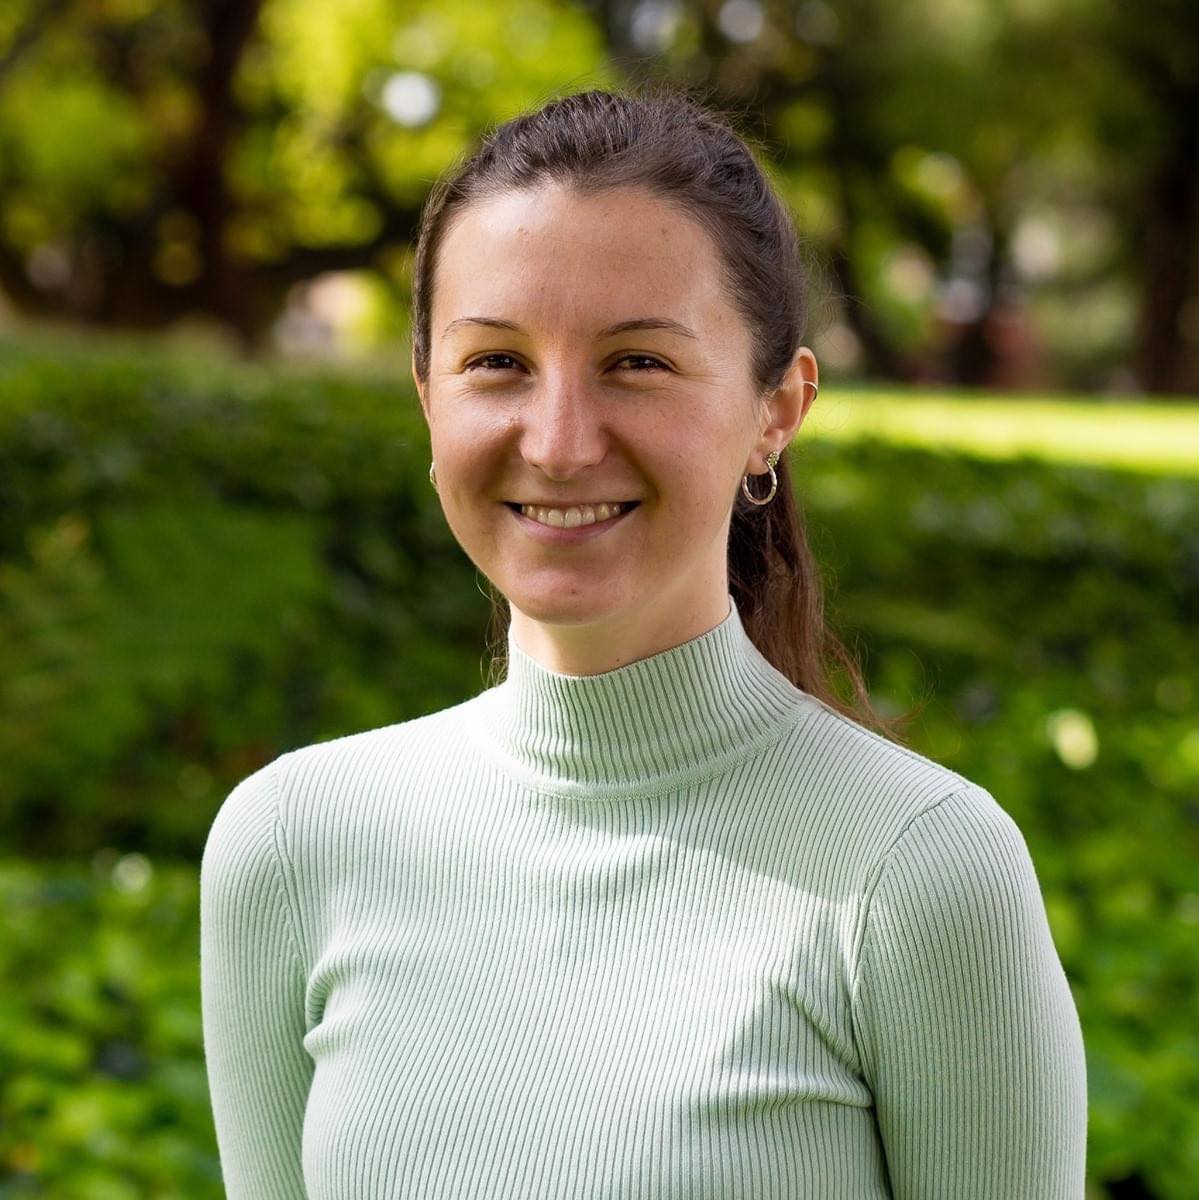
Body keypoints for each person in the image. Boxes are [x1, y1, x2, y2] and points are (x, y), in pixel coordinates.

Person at [200, 87, 1088, 1199]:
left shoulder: (919, 875)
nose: (560, 443)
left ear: (778, 408)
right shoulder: (287, 847)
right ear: (425, 394)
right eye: (496, 363)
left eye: (637, 362)